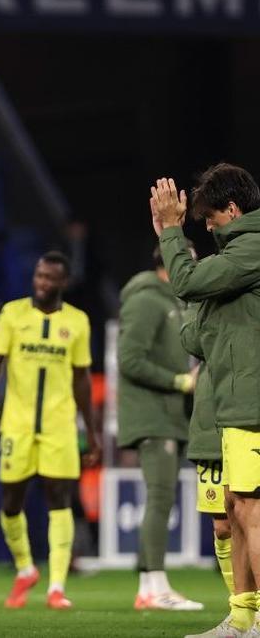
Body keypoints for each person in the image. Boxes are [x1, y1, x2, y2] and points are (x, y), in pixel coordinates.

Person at [149, 166, 260, 637]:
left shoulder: (253, 248)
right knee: (236, 510)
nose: (208, 228)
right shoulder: (233, 260)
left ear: (232, 210)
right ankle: (241, 619)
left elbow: (188, 287)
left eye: (211, 219)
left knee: (252, 511)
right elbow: (195, 336)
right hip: (235, 401)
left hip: (253, 400)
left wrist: (172, 232)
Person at [0, 251, 100, 610]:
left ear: (63, 282)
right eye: (39, 276)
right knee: (11, 503)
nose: (42, 283)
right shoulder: (13, 313)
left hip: (60, 426)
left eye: (50, 278)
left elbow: (82, 380)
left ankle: (57, 587)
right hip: (17, 424)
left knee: (59, 501)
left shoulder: (78, 322)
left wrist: (90, 432)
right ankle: (25, 568)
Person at [116, 244, 202, 610]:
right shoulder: (146, 300)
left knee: (161, 497)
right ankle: (153, 587)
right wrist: (180, 382)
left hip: (170, 415)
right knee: (161, 496)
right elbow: (129, 360)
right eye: (189, 263)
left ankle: (149, 581)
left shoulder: (173, 303)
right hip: (153, 414)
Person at [182, 296, 237, 631]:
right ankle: (239, 610)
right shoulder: (201, 305)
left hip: (246, 420)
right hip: (210, 428)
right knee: (223, 526)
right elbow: (190, 339)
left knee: (250, 518)